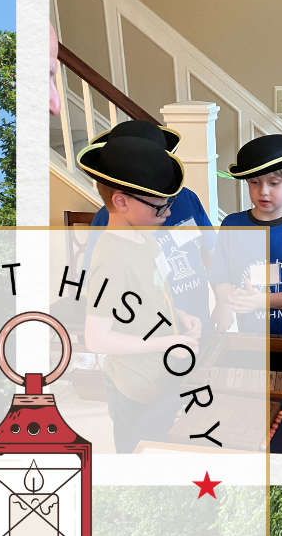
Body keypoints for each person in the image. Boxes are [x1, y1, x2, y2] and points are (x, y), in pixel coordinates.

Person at [77, 135, 201, 451]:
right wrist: (166, 343)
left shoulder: (145, 235)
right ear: (121, 202)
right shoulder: (111, 259)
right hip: (134, 390)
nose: (168, 215)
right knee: (139, 456)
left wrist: (181, 316)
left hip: (161, 375)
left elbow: (154, 294)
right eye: (160, 207)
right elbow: (97, 339)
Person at [214, 134, 282, 338]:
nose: (263, 191)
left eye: (274, 183)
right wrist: (231, 299)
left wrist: (261, 301)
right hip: (251, 337)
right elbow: (220, 279)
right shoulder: (232, 224)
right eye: (254, 182)